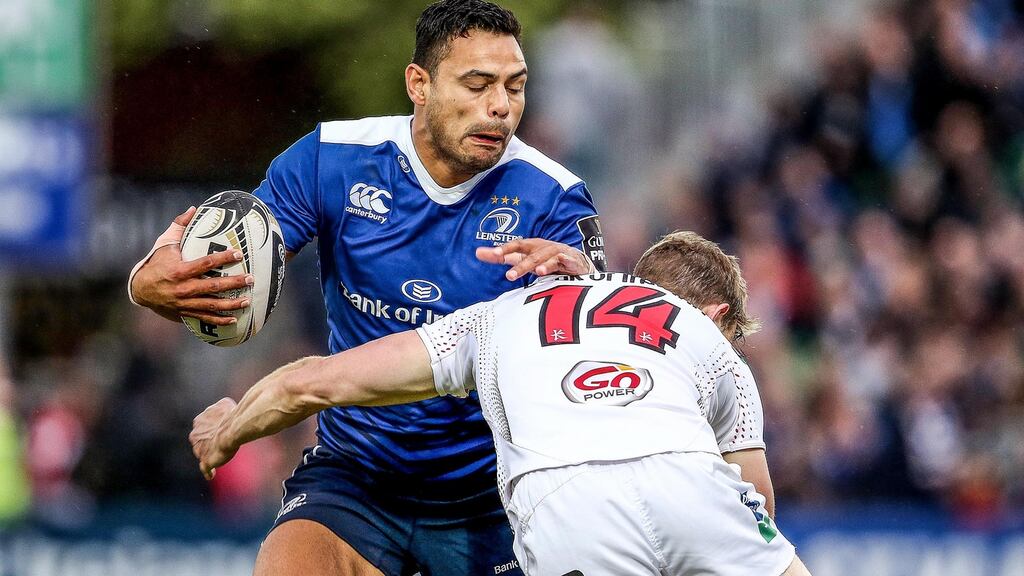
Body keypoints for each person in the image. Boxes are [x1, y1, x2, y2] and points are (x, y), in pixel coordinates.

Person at [128, 1, 606, 575]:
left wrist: (585, 291)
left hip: (492, 496)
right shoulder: (332, 158)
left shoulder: (554, 198)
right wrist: (150, 281)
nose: (501, 107)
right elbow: (236, 260)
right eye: (477, 84)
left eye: (515, 86)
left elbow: (606, 346)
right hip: (354, 477)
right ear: (419, 84)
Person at [190, 231, 812, 576]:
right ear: (719, 315)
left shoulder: (494, 318)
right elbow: (756, 500)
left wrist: (229, 428)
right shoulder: (704, 333)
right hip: (689, 483)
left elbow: (319, 382)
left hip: (565, 505)